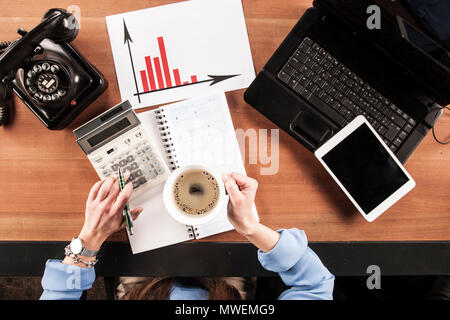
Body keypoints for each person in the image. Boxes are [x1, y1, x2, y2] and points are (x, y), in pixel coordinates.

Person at [40, 172, 334, 300]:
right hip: (224, 290)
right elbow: (316, 285)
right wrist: (250, 227)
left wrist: (90, 239)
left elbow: (58, 294)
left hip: (143, 290)